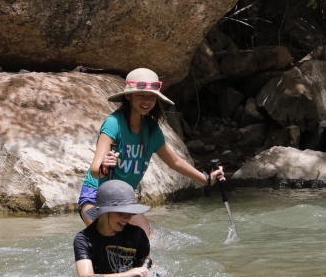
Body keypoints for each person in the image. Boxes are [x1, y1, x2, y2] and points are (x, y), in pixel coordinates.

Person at [78, 68, 225, 224]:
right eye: (141, 95)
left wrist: (205, 179)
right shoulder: (114, 123)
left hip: (123, 199)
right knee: (105, 239)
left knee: (147, 241)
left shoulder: (152, 129)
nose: (147, 101)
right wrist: (104, 166)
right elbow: (96, 170)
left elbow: (174, 161)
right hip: (96, 196)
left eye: (152, 97)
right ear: (128, 96)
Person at [74, 180, 155, 277]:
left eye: (130, 212)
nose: (127, 217)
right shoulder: (84, 240)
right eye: (121, 212)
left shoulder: (137, 234)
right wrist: (127, 275)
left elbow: (147, 263)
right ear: (103, 211)